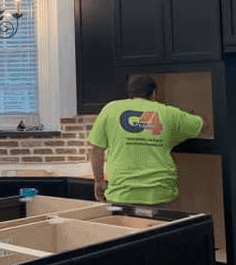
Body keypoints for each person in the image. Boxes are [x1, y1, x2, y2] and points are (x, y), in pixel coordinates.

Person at [87, 75, 203, 205]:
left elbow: (96, 149)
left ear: (130, 93)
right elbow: (202, 124)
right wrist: (190, 118)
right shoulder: (168, 112)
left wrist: (99, 181)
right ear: (153, 93)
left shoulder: (110, 109)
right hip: (159, 192)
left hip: (122, 193)